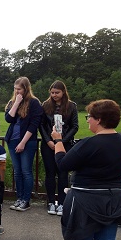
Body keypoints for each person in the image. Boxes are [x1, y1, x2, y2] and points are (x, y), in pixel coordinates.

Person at [52, 99, 121, 240]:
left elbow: (63, 164)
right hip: (114, 200)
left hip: (87, 201)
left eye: (89, 116)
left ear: (99, 119)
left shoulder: (89, 143)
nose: (87, 120)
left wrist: (58, 140)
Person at [39, 80, 78, 216]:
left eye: (57, 93)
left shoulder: (71, 106)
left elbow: (74, 126)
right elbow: (42, 125)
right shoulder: (45, 105)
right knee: (50, 173)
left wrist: (61, 140)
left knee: (63, 173)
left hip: (65, 144)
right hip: (48, 145)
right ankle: (51, 202)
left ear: (63, 92)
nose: (54, 95)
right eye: (52, 93)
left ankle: (62, 203)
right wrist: (49, 140)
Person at [5, 77, 42, 211]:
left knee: (26, 171)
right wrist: (16, 103)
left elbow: (34, 126)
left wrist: (23, 143)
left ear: (26, 89)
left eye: (19, 89)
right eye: (14, 89)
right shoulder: (13, 102)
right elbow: (8, 119)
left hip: (27, 142)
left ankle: (26, 200)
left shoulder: (34, 103)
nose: (16, 91)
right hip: (12, 140)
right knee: (17, 172)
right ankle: (19, 198)